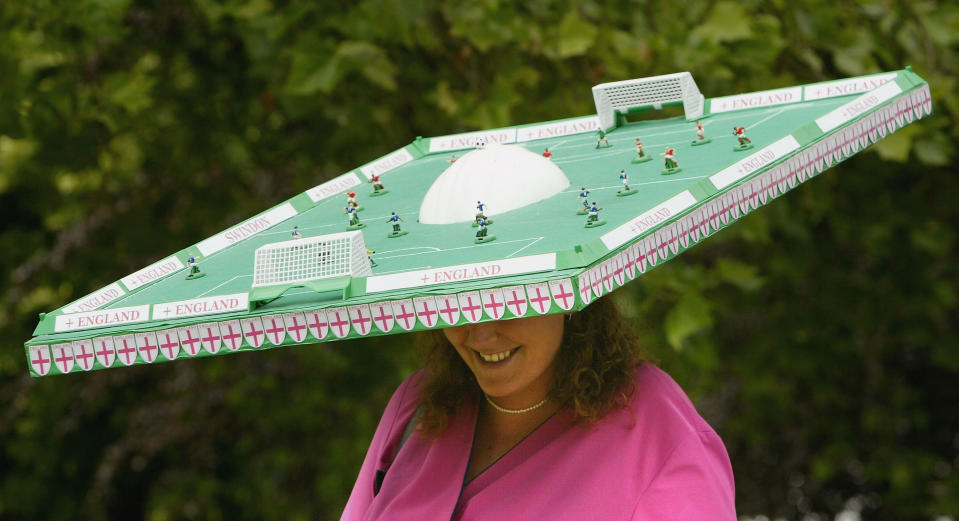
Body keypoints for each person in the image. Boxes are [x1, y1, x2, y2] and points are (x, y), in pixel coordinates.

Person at [341, 297, 736, 520]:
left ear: (568, 292)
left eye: (505, 297)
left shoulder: (654, 426)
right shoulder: (417, 406)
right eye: (457, 298)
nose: (479, 333)